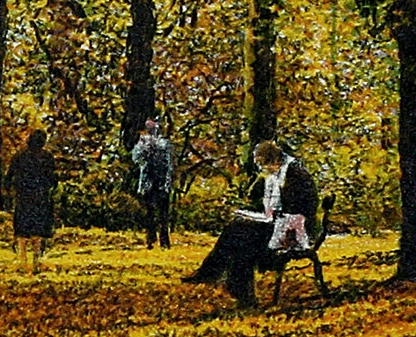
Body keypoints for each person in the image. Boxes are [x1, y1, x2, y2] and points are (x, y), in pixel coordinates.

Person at [184, 140, 318, 308]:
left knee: (242, 235)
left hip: (294, 228)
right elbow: (271, 206)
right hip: (280, 223)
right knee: (237, 228)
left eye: (263, 164)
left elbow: (300, 207)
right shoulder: (276, 174)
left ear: (273, 160)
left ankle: (225, 280)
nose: (263, 169)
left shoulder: (294, 173)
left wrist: (271, 217)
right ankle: (222, 279)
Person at [5, 127, 59, 275]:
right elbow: (53, 178)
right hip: (40, 197)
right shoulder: (47, 157)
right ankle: (36, 261)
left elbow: (9, 176)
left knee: (22, 229)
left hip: (23, 196)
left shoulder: (20, 156)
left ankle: (22, 260)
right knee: (38, 229)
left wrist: (9, 191)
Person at [130, 117, 174, 247]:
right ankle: (151, 239)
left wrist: (167, 182)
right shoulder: (143, 143)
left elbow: (169, 163)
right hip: (149, 180)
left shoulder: (164, 143)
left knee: (162, 213)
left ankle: (163, 240)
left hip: (160, 181)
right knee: (151, 212)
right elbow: (136, 159)